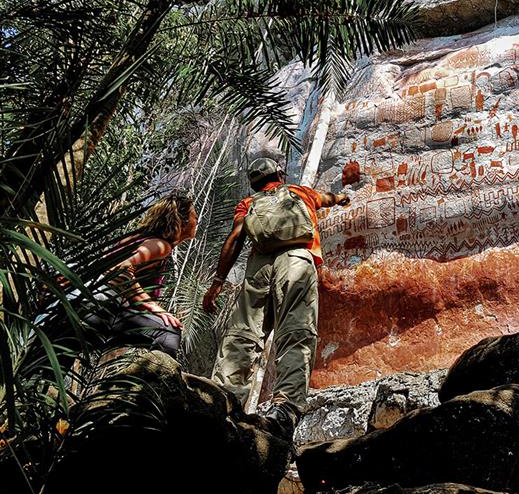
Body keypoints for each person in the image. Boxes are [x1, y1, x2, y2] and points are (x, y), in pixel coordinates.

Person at [202, 157, 349, 437]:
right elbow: (328, 198)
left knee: (244, 334)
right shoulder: (299, 192)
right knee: (296, 330)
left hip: (259, 267)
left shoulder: (248, 203)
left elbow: (235, 238)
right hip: (297, 259)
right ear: (279, 175)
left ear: (253, 183)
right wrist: (342, 197)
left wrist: (218, 282)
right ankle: (286, 406)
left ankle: (224, 399)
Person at [89, 193, 197, 356]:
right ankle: (153, 380)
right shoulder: (161, 246)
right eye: (194, 216)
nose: (197, 221)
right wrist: (152, 306)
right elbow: (121, 268)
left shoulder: (141, 238)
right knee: (168, 333)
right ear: (183, 222)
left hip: (83, 302)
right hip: (100, 305)